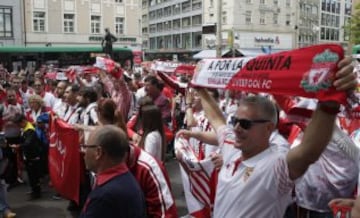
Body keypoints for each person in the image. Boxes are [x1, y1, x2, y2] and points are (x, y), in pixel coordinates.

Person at [185, 57, 356, 217]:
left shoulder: (275, 166)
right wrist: (200, 89)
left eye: (245, 124)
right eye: (235, 121)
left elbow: (309, 151)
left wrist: (330, 100)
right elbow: (217, 119)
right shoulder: (232, 145)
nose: (236, 128)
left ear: (268, 128)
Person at [79, 125, 146, 218]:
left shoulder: (103, 197)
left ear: (98, 152)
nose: (84, 153)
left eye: (86, 147)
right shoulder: (127, 180)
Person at [11, 114, 42, 200]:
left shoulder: (30, 130)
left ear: (23, 121)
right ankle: (34, 190)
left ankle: (36, 193)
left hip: (33, 156)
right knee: (31, 175)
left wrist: (18, 146)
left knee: (34, 176)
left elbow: (28, 143)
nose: (18, 126)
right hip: (28, 156)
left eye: (19, 124)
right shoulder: (25, 128)